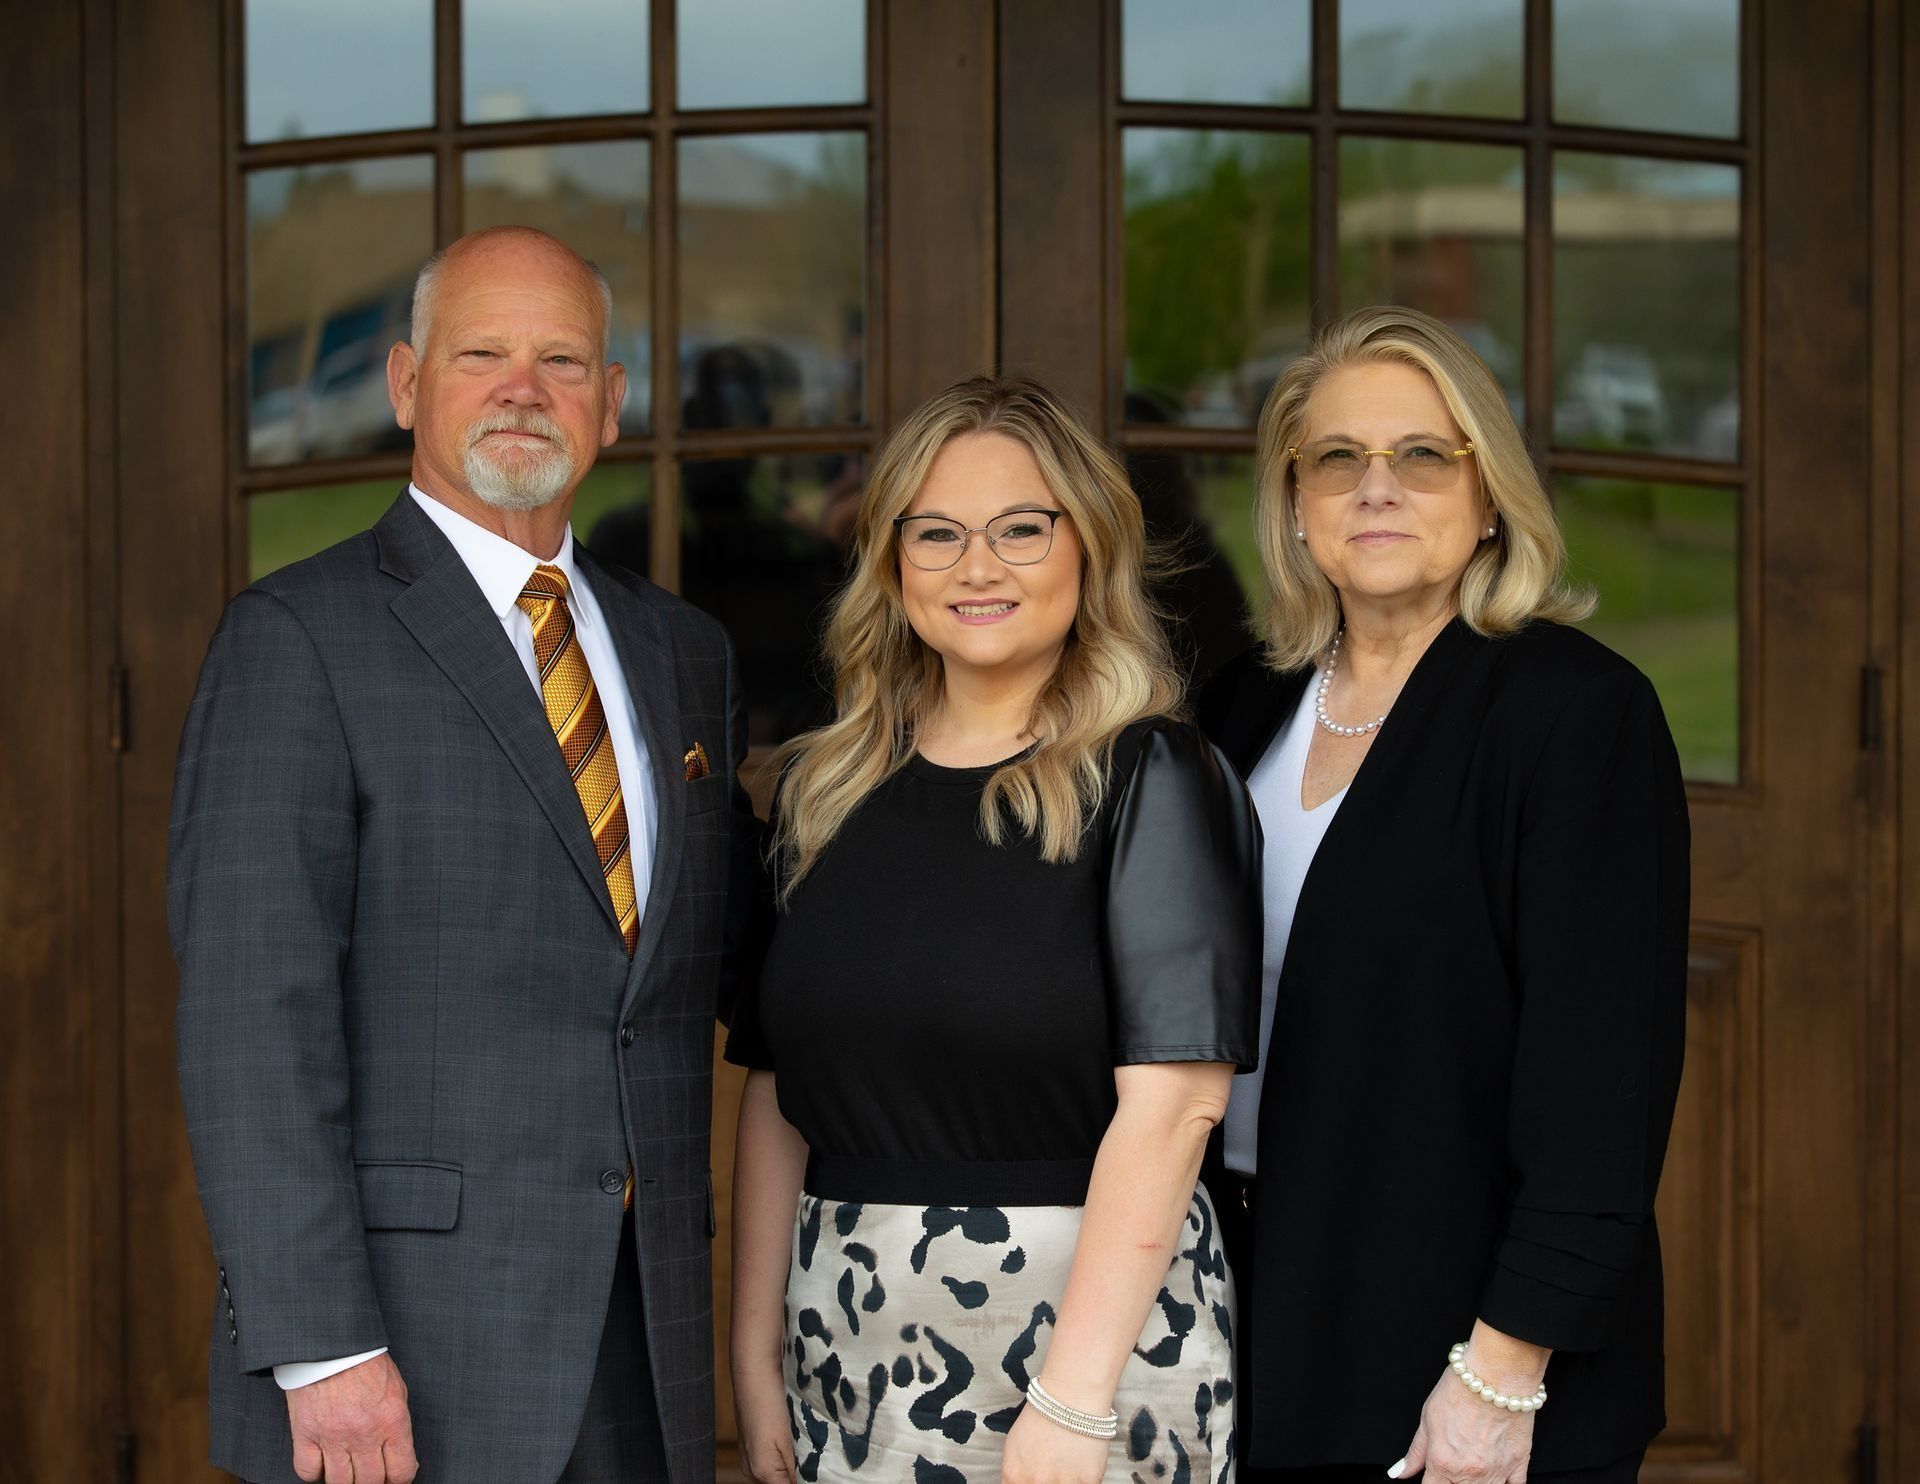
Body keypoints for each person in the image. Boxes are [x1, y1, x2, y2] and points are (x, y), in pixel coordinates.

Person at [170, 226, 761, 1484]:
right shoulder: (297, 639)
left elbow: (705, 969)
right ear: (403, 385)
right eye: (480, 352)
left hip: (645, 1338)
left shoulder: (682, 650)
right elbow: (248, 1019)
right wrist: (321, 1345)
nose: (521, 387)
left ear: (611, 403)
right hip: (397, 1353)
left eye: (561, 359)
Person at [723, 376, 1264, 1483]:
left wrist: (1071, 1399)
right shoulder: (821, 795)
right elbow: (778, 1082)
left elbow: (1178, 1104)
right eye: (938, 533)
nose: (979, 566)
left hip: (1092, 1347)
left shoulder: (1153, 776)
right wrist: (755, 1339)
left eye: (1022, 527)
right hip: (853, 1334)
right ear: (891, 561)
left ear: (1090, 545)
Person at [1197, 306, 1689, 1484]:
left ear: (1488, 491)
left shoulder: (1575, 713)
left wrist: (1502, 1366)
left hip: (1460, 1332)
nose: (1378, 487)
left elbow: (1603, 1085)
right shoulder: (1241, 706)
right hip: (1253, 1295)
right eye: (1338, 459)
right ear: (1296, 500)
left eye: (1423, 454)